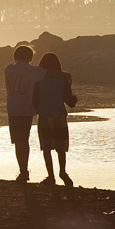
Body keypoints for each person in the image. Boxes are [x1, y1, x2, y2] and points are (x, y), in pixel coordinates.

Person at [32, 52, 77, 187]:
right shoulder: (63, 79)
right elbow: (70, 102)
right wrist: (74, 98)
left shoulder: (38, 80)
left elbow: (35, 100)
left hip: (45, 116)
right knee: (60, 147)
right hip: (59, 116)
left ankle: (50, 176)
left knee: (46, 148)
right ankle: (62, 172)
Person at [5, 44, 46, 183]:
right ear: (30, 57)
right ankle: (24, 170)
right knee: (24, 140)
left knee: (18, 141)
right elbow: (46, 73)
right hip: (26, 109)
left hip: (12, 109)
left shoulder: (8, 69)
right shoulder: (32, 71)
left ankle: (22, 169)